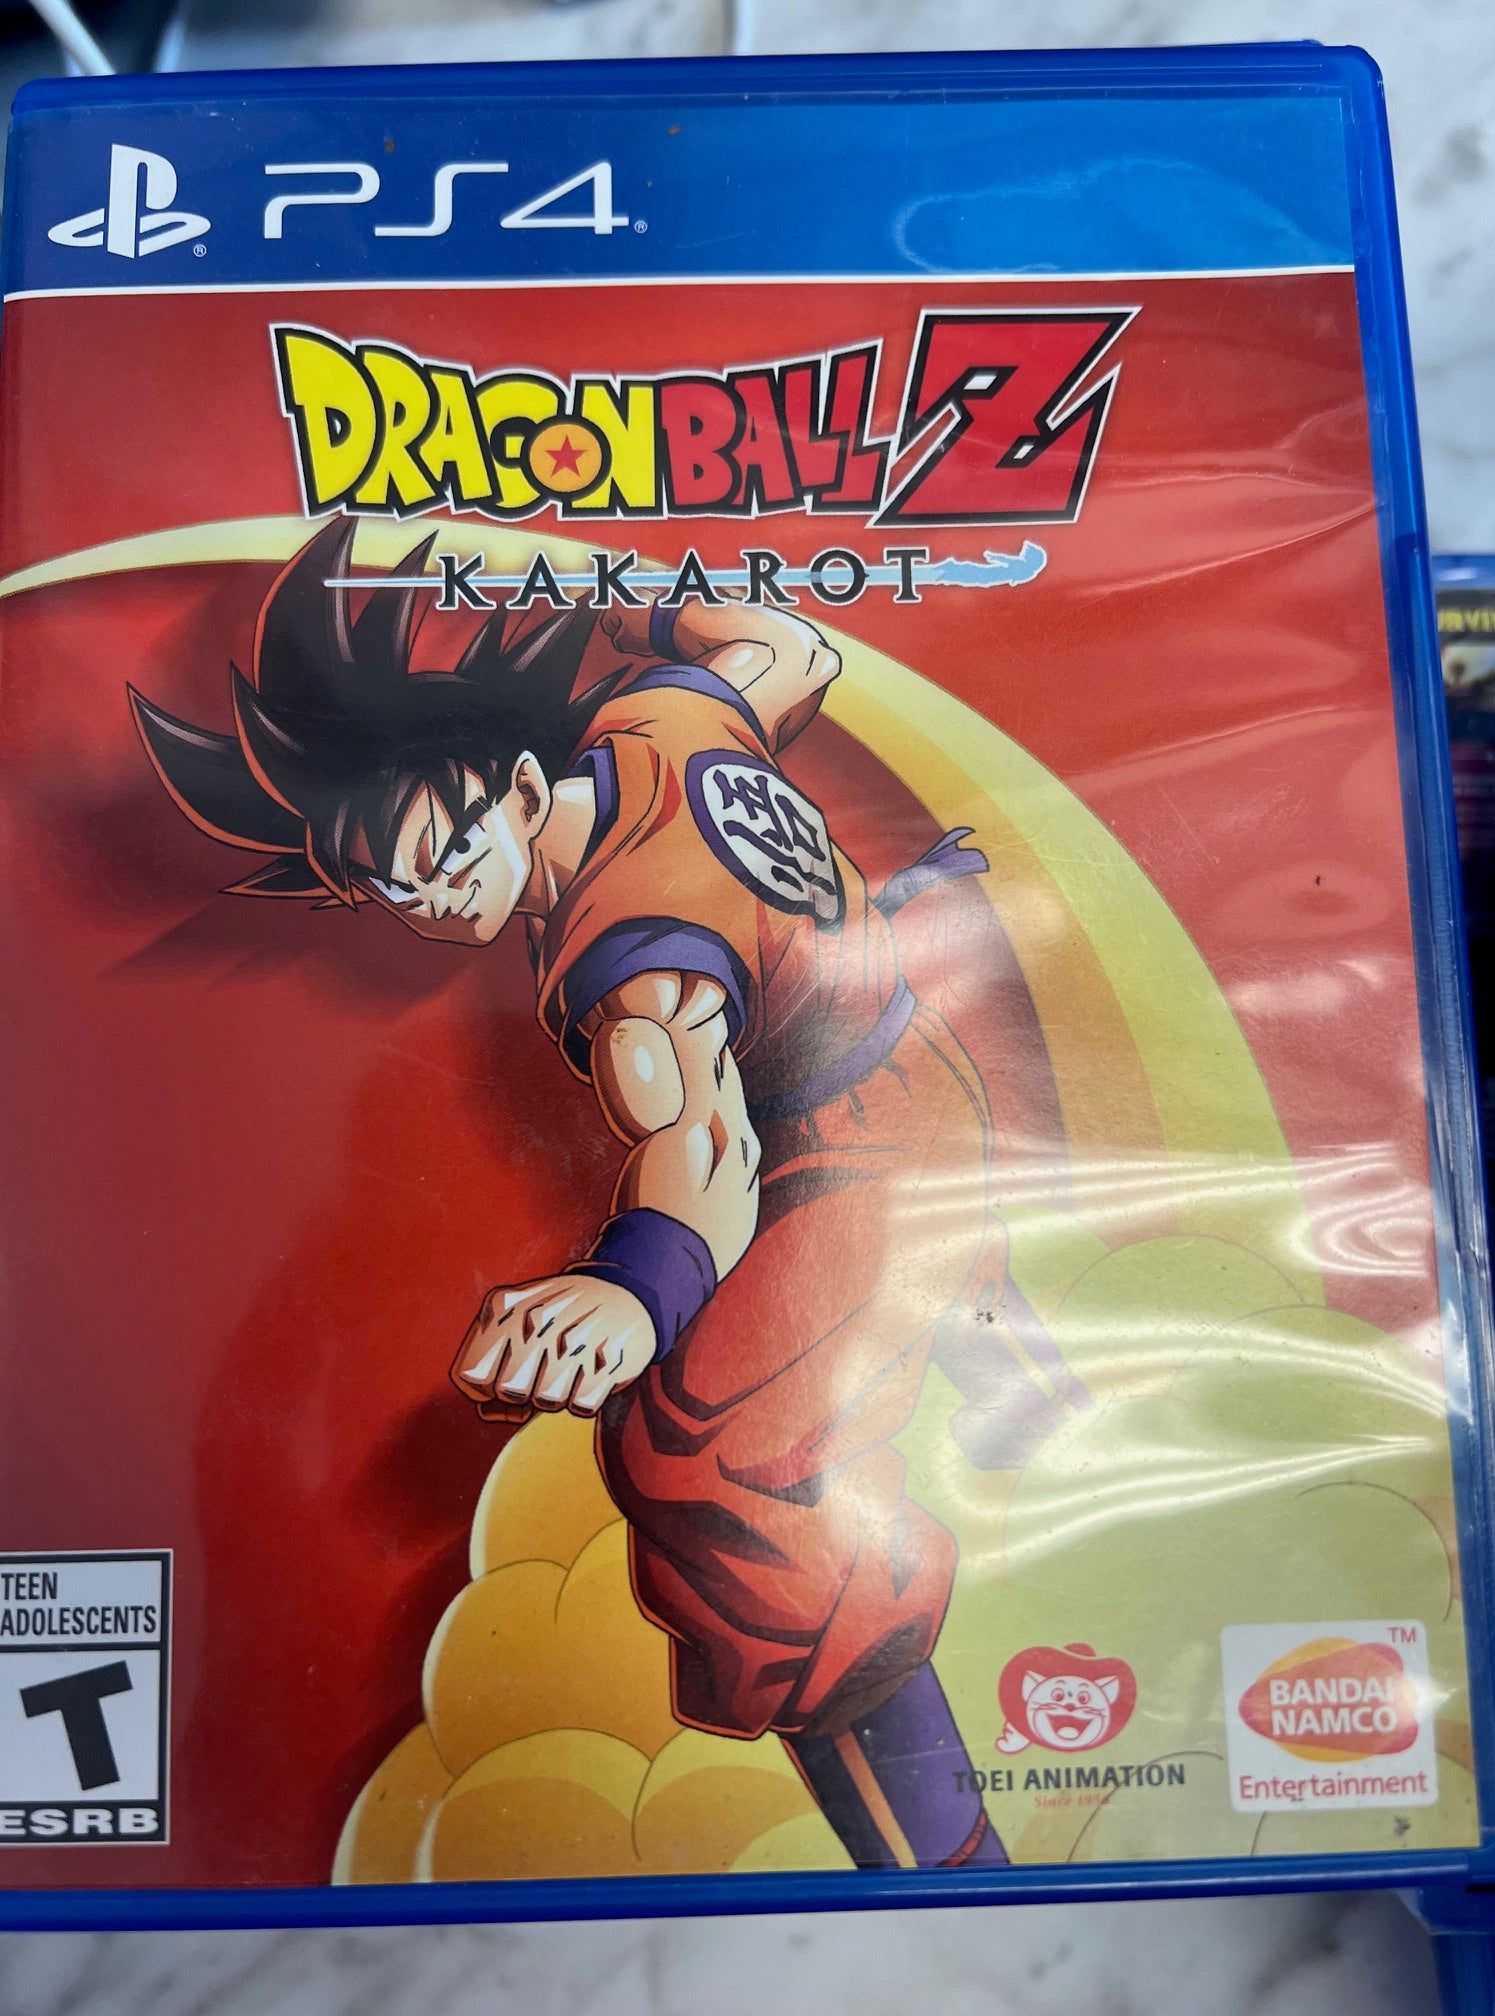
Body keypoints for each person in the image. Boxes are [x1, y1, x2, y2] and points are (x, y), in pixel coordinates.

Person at [130, 517, 1008, 1870]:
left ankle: (945, 1862)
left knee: (700, 1458)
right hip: (897, 1048)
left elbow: (703, 1144)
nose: (431, 905)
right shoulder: (663, 722)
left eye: (446, 856)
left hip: (870, 1153)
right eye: (388, 889)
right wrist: (636, 611)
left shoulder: (634, 959)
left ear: (526, 791)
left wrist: (634, 1291)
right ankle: (1007, 1353)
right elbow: (792, 645)